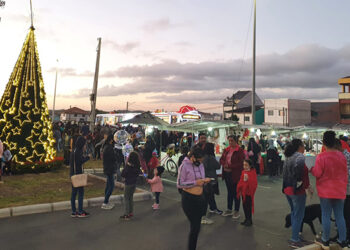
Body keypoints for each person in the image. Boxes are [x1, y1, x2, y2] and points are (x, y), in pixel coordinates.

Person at [310, 132, 348, 249]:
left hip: (326, 192)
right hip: (340, 190)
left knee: (325, 215)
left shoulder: (321, 156)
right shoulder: (342, 156)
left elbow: (317, 173)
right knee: (340, 216)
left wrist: (311, 169)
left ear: (324, 142)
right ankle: (343, 240)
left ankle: (325, 240)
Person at [177, 146, 211, 250]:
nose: (200, 162)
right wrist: (196, 182)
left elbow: (201, 178)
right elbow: (180, 184)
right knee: (195, 226)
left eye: (202, 160)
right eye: (198, 160)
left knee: (196, 227)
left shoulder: (200, 165)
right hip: (188, 200)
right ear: (192, 157)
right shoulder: (184, 166)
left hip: (200, 199)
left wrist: (204, 181)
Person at [282, 139, 310, 248]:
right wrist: (301, 186)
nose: (304, 148)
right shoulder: (300, 157)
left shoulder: (289, 156)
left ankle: (295, 236)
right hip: (296, 190)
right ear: (300, 146)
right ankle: (294, 239)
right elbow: (299, 174)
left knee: (294, 213)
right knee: (298, 215)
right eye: (303, 145)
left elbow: (284, 174)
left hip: (287, 189)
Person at [220, 135, 244, 219]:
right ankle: (229, 209)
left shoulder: (240, 151)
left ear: (236, 141)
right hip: (227, 174)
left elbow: (241, 163)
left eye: (232, 141)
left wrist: (231, 166)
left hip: (235, 174)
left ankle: (236, 210)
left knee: (236, 192)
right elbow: (222, 159)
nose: (230, 142)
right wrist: (224, 164)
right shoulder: (226, 150)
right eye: (229, 141)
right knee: (229, 192)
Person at [201, 142, 222, 225]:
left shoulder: (202, 157)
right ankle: (203, 216)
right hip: (210, 179)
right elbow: (218, 166)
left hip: (204, 179)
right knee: (207, 197)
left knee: (209, 196)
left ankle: (213, 208)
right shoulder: (210, 157)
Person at [70, 136, 91, 218]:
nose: (85, 146)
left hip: (73, 174)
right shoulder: (78, 152)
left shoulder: (74, 151)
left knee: (74, 193)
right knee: (81, 193)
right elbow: (80, 161)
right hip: (78, 174)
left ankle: (74, 211)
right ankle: (80, 211)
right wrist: (88, 157)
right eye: (84, 144)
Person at [335, 138, 350, 247]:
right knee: (343, 214)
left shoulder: (344, 156)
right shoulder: (344, 154)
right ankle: (342, 236)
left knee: (346, 215)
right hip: (343, 190)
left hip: (346, 190)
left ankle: (345, 238)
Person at [120, 151, 142, 220]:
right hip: (134, 183)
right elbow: (139, 173)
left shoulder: (129, 166)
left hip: (128, 183)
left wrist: (127, 166)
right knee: (130, 197)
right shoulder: (137, 166)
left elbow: (123, 174)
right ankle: (131, 212)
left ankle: (126, 214)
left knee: (126, 198)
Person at [237, 159, 258, 227]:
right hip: (244, 192)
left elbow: (254, 183)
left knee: (248, 206)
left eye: (246, 165)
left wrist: (248, 181)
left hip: (249, 193)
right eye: (243, 165)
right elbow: (241, 180)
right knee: (244, 206)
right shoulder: (243, 172)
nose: (244, 166)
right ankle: (247, 219)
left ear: (250, 165)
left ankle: (249, 220)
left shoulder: (252, 172)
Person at [101, 134, 117, 210]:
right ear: (111, 140)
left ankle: (106, 201)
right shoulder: (109, 148)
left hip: (107, 168)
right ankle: (105, 202)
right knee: (111, 186)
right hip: (110, 168)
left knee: (108, 185)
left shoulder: (106, 147)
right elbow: (113, 158)